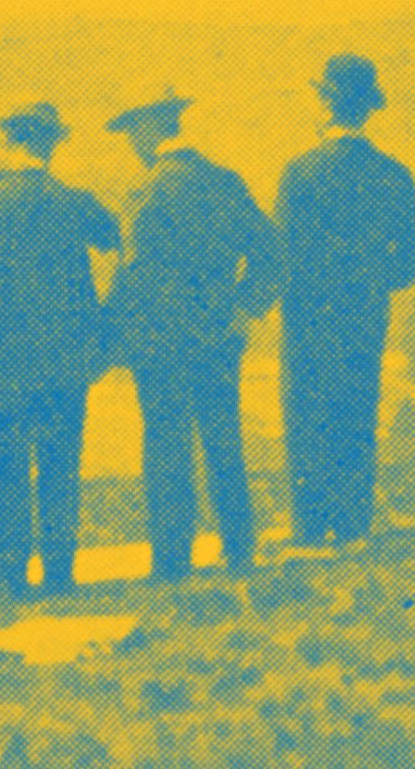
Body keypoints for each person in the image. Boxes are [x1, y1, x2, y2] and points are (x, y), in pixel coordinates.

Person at [0, 102, 122, 599]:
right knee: (61, 464)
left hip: (1, 359)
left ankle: (9, 576)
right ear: (52, 146)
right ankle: (60, 574)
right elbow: (114, 240)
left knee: (5, 464)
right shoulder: (75, 202)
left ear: (8, 143)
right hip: (66, 358)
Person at [104, 91, 282, 578]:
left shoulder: (147, 190)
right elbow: (272, 254)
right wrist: (245, 309)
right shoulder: (225, 182)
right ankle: (240, 551)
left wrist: (112, 336)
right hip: (220, 337)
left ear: (147, 132)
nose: (130, 146)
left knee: (167, 448)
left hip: (162, 343)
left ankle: (171, 562)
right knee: (224, 441)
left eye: (130, 135)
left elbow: (133, 275)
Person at [276, 55, 415, 550]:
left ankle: (309, 527)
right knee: (357, 409)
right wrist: (375, 280)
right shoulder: (392, 174)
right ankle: (352, 524)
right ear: (368, 108)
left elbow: (281, 252)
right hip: (364, 313)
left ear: (325, 103)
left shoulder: (300, 173)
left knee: (306, 410)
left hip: (307, 313)